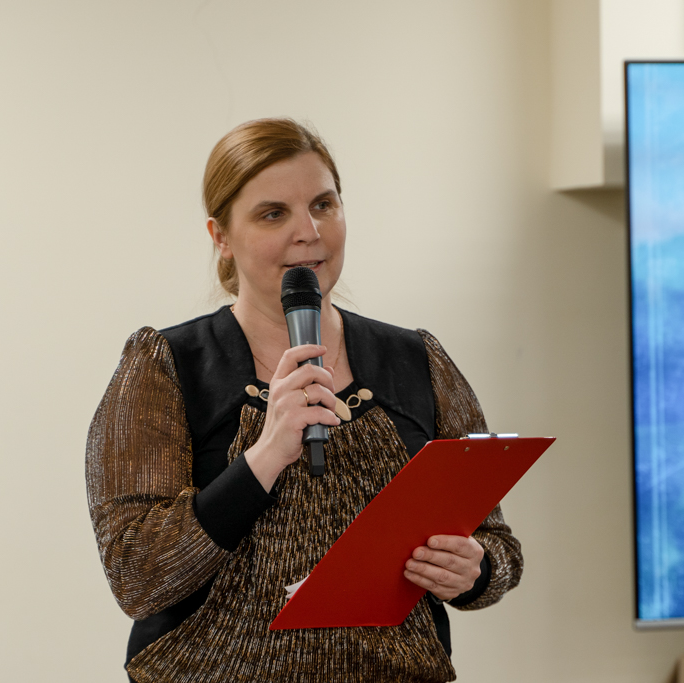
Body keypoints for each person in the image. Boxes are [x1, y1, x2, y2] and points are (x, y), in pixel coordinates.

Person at [85, 118, 523, 682]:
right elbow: (137, 575)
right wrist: (265, 456)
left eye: (323, 205)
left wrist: (476, 572)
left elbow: (496, 543)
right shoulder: (166, 365)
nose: (309, 232)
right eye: (273, 214)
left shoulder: (416, 359)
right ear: (221, 236)